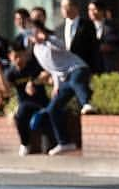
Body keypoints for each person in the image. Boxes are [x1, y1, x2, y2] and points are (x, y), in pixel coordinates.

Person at [30, 20, 96, 155]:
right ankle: (64, 142)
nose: (33, 35)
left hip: (77, 68)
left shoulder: (51, 40)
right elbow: (52, 68)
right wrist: (56, 85)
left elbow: (62, 47)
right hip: (64, 78)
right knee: (53, 108)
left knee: (75, 82)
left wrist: (47, 38)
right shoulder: (37, 50)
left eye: (35, 31)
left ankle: (86, 104)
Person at [0, 44, 50, 156]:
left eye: (20, 56)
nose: (18, 59)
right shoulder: (11, 72)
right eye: (15, 57)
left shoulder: (33, 66)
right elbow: (6, 90)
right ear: (10, 57)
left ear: (25, 55)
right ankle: (25, 143)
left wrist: (33, 82)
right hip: (24, 103)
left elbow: (46, 73)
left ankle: (47, 143)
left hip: (40, 101)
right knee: (20, 116)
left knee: (45, 117)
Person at [88, 0, 119, 74]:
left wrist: (111, 48)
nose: (92, 12)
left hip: (109, 65)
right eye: (90, 10)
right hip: (92, 67)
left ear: (102, 11)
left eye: (94, 9)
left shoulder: (113, 25)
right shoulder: (85, 27)